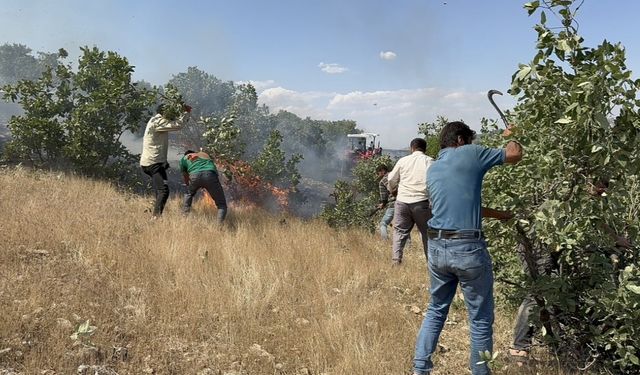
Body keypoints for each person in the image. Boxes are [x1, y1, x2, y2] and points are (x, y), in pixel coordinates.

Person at [413, 121, 523, 375]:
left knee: (436, 311)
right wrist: (513, 134)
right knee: (481, 319)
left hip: (438, 247)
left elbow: (463, 204)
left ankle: (420, 370)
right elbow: (515, 154)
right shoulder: (469, 153)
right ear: (461, 140)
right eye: (471, 140)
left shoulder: (434, 167)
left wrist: (501, 214)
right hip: (468, 248)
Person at [508, 178, 633, 365]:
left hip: (550, 246)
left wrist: (615, 240)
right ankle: (519, 348)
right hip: (537, 245)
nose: (603, 189)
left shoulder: (585, 200)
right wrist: (613, 241)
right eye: (601, 184)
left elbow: (595, 222)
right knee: (537, 294)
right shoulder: (570, 192)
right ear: (589, 181)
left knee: (553, 293)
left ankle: (553, 342)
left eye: (606, 186)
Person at [387, 138, 433, 265]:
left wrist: (392, 191)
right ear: (425, 149)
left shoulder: (403, 161)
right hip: (422, 202)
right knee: (427, 234)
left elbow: (391, 179)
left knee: (399, 232)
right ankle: (431, 264)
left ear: (411, 148)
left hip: (402, 201)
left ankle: (396, 261)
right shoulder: (430, 161)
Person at [140, 103, 191, 218]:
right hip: (153, 163)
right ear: (165, 113)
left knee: (161, 190)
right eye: (171, 113)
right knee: (164, 190)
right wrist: (186, 112)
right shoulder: (158, 121)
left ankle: (155, 214)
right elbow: (177, 125)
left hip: (155, 162)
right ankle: (155, 218)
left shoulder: (156, 121)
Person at [180, 150, 228, 223]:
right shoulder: (204, 154)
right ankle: (219, 226)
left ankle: (184, 216)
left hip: (194, 176)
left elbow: (185, 176)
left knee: (188, 194)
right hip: (210, 175)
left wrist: (188, 185)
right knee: (222, 205)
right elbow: (214, 168)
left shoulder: (184, 158)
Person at [375, 164, 395, 239]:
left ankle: (385, 242)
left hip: (394, 204)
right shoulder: (396, 175)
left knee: (383, 223)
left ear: (382, 171)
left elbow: (384, 199)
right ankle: (408, 248)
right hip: (406, 201)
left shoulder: (383, 181)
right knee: (403, 226)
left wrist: (382, 204)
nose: (378, 175)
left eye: (378, 173)